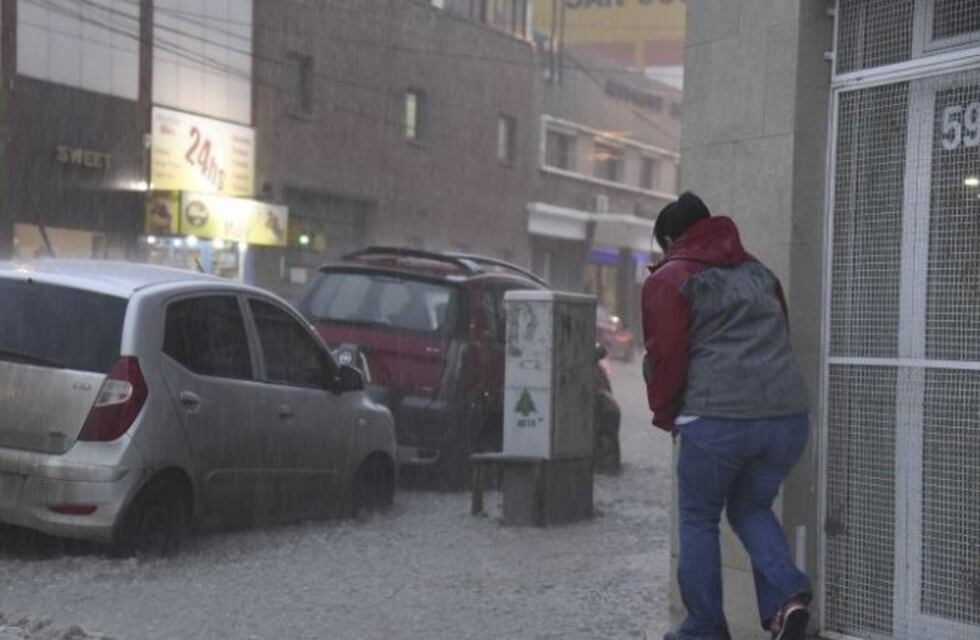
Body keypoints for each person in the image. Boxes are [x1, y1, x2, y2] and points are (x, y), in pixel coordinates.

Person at [642, 192, 811, 640]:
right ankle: (787, 600)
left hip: (718, 420)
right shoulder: (762, 274)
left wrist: (666, 413)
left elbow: (666, 357)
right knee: (750, 506)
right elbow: (780, 334)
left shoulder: (671, 277)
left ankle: (704, 628)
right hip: (787, 419)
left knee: (699, 517)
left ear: (671, 239)